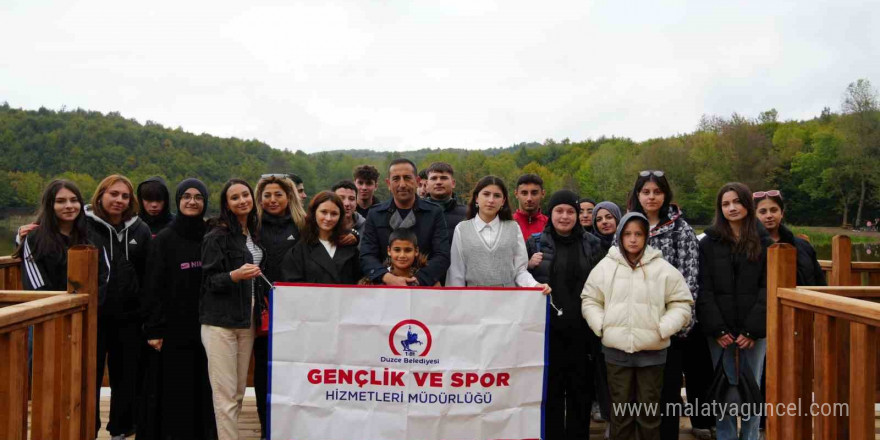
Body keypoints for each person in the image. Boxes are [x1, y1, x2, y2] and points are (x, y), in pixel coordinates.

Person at [582, 212, 694, 440]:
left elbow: (682, 303)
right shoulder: (606, 266)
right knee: (620, 414)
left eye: (638, 234)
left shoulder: (662, 268)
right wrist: (602, 325)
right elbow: (590, 299)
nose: (633, 239)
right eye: (627, 234)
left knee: (648, 414)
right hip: (616, 353)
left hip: (652, 354)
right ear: (620, 236)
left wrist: (662, 328)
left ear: (646, 237)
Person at [626, 170, 712, 440]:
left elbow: (690, 279)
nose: (651, 197)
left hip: (669, 325)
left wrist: (680, 321)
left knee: (668, 390)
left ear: (665, 195)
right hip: (635, 323)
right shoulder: (628, 226)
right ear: (637, 195)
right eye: (646, 192)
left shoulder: (680, 229)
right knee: (638, 391)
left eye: (657, 192)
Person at [697, 182, 773, 440]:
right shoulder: (708, 243)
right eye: (726, 204)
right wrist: (717, 328)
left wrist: (753, 330)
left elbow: (767, 289)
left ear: (747, 205)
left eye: (737, 202)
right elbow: (703, 289)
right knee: (724, 386)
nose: (732, 208)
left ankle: (751, 436)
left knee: (752, 386)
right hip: (720, 332)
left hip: (754, 331)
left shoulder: (764, 242)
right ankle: (726, 436)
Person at [142, 179, 216, 439]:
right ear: (178, 201)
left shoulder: (212, 235)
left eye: (198, 197)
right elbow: (153, 285)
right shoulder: (164, 238)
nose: (192, 201)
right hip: (174, 326)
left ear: (205, 202)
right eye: (186, 196)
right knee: (175, 386)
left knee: (204, 384)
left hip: (208, 323)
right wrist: (154, 328)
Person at [526, 190, 603, 440]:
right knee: (552, 393)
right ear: (550, 214)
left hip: (582, 330)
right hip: (547, 331)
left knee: (581, 392)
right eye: (559, 210)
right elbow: (522, 279)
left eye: (571, 211)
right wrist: (528, 265)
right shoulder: (535, 243)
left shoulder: (592, 243)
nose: (565, 216)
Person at [200, 178, 268, 440]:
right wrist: (234, 275)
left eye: (245, 195)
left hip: (247, 320)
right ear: (226, 203)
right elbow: (208, 281)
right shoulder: (217, 235)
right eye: (235, 197)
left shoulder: (252, 232)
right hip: (220, 323)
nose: (242, 201)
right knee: (225, 395)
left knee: (238, 392)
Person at [86, 174, 152, 440]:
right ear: (101, 194)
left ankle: (121, 430)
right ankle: (87, 428)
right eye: (114, 194)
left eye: (125, 196)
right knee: (89, 375)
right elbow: (53, 241)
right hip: (93, 315)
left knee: (125, 375)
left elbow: (149, 273)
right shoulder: (85, 225)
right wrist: (23, 238)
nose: (119, 200)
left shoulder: (140, 230)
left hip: (129, 316)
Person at [254, 174, 305, 439]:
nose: (272, 200)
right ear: (259, 199)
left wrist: (352, 234)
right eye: (267, 195)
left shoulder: (302, 225)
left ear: (289, 197)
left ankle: (294, 423)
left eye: (278, 195)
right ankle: (266, 425)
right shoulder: (253, 225)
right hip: (262, 308)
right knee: (264, 368)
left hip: (296, 309)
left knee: (294, 368)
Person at [446, 175, 550, 293]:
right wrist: (456, 303)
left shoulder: (513, 228)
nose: (491, 200)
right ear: (476, 198)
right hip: (473, 301)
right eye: (486, 194)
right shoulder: (462, 229)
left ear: (503, 201)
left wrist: (534, 285)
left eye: (497, 196)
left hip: (507, 302)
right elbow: (456, 274)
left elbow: (520, 271)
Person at [360, 159, 450, 286]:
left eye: (407, 178)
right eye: (396, 179)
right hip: (383, 289)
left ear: (417, 181)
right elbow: (366, 255)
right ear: (388, 183)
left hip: (424, 288)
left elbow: (442, 255)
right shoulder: (375, 214)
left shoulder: (434, 213)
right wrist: (388, 278)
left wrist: (417, 280)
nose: (402, 184)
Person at [281, 191, 362, 284]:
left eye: (334, 214)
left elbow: (359, 282)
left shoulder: (350, 248)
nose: (328, 218)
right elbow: (291, 287)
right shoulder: (298, 251)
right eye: (323, 212)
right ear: (314, 213)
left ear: (340, 216)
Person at [754, 190, 826, 285]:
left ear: (782, 213)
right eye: (763, 212)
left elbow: (820, 281)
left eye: (774, 210)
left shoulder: (803, 246)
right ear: (754, 216)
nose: (769, 215)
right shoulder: (748, 247)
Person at [358, 228, 431, 286]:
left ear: (416, 251)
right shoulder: (370, 283)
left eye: (408, 250)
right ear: (389, 250)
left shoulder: (428, 280)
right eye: (397, 250)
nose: (402, 255)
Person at [424, 161, 467, 232]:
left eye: (443, 178)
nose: (438, 182)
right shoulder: (416, 213)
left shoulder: (468, 215)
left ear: (453, 183)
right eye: (434, 178)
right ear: (427, 184)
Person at [513, 173, 548, 240]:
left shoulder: (549, 226)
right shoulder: (507, 224)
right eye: (524, 193)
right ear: (516, 194)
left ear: (543, 194)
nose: (529, 198)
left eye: (534, 193)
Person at [332, 179, 367, 245]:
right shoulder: (325, 226)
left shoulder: (367, 227)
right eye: (341, 198)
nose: (347, 203)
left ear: (356, 203)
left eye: (352, 199)